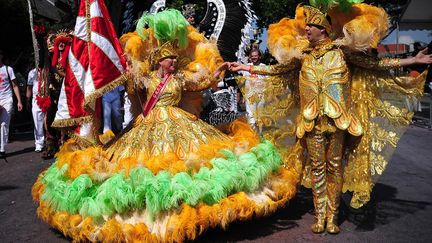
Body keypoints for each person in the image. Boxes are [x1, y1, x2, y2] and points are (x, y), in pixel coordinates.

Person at [32, 10, 299, 242]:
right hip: (147, 127)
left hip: (182, 125)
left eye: (174, 58)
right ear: (159, 60)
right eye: (169, 59)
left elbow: (201, 83)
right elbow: (122, 77)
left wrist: (220, 71)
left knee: (191, 165)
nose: (174, 62)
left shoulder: (180, 78)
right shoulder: (144, 79)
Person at [230, 3, 432, 234]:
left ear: (323, 29)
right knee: (317, 167)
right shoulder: (302, 57)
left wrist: (413, 61)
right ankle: (320, 215)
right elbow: (277, 70)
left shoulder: (342, 53)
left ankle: (333, 216)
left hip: (338, 121)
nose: (306, 30)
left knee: (334, 167)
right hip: (311, 122)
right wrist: (245, 67)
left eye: (311, 26)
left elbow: (376, 65)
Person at [0, 50, 23, 156]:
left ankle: (2, 149)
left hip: (7, 99)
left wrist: (19, 101)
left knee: (4, 124)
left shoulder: (8, 69)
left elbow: (15, 85)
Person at [239, 48, 266, 132]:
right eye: (252, 56)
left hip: (261, 95)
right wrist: (243, 94)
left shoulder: (264, 67)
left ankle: (261, 134)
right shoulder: (247, 67)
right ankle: (253, 134)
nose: (254, 58)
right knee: (250, 116)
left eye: (256, 56)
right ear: (250, 57)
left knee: (260, 115)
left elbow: (268, 82)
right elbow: (243, 81)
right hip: (250, 95)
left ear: (259, 56)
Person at [26, 67, 44, 152]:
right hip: (36, 100)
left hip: (49, 98)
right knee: (37, 122)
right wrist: (27, 100)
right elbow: (29, 87)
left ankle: (51, 141)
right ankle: (39, 143)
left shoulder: (49, 70)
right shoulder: (32, 72)